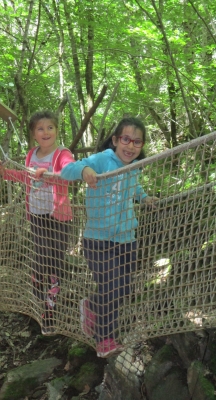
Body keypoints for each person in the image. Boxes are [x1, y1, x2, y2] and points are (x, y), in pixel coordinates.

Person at [61, 117, 157, 358]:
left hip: (127, 239)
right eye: (126, 139)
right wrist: (84, 169)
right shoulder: (103, 159)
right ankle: (104, 338)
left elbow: (133, 188)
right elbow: (67, 170)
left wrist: (144, 198)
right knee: (112, 287)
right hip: (98, 240)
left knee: (123, 287)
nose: (131, 146)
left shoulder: (134, 165)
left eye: (137, 141)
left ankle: (91, 306)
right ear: (115, 140)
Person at [0, 110, 74, 334]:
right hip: (37, 215)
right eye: (40, 128)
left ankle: (50, 307)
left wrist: (51, 173)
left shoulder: (62, 154)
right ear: (33, 134)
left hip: (59, 216)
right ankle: (38, 281)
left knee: (56, 258)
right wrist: (6, 173)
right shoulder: (31, 155)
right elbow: (26, 176)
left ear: (56, 130)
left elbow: (70, 170)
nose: (46, 132)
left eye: (50, 127)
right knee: (41, 255)